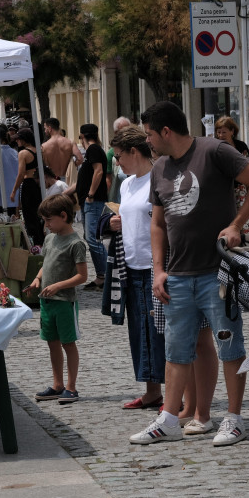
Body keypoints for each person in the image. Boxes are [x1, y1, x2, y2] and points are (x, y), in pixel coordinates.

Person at [129, 101, 249, 447]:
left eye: (149, 135)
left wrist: (236, 224)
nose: (148, 142)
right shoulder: (160, 167)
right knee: (176, 351)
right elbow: (158, 224)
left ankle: (234, 420)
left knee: (229, 346)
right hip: (178, 275)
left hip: (217, 273)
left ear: (166, 131)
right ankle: (167, 420)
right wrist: (159, 270)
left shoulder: (214, 150)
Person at [106, 126, 166, 410]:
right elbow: (119, 217)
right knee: (140, 331)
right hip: (130, 265)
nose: (116, 162)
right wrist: (110, 223)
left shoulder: (158, 177)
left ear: (134, 151)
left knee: (162, 331)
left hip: (155, 265)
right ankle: (152, 391)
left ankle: (179, 393)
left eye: (119, 156)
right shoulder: (127, 183)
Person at [26, 194, 87, 404]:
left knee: (68, 344)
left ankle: (71, 387)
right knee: (52, 343)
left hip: (64, 302)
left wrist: (58, 286)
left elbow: (83, 276)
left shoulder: (76, 243)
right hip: (47, 301)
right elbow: (47, 263)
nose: (46, 225)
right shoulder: (51, 238)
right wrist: (37, 279)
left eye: (49, 220)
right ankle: (57, 384)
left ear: (64, 215)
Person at [72, 123, 108, 291]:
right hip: (88, 201)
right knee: (91, 238)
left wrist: (91, 194)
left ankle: (107, 275)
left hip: (93, 202)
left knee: (94, 239)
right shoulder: (94, 151)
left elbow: (98, 171)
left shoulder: (93, 149)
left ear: (82, 136)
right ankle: (102, 276)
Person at [215, 116, 249, 235]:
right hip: (222, 189)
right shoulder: (215, 147)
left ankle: (246, 242)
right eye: (219, 132)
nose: (221, 135)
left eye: (224, 132)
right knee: (225, 218)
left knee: (242, 218)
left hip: (239, 188)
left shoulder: (240, 146)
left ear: (232, 131)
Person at [10, 128, 45, 246]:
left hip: (28, 184)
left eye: (18, 139)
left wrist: (14, 191)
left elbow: (20, 174)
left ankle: (35, 244)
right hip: (38, 185)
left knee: (29, 216)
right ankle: (40, 241)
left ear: (24, 140)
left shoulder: (23, 153)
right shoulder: (39, 151)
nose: (17, 141)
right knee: (38, 214)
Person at [106, 116, 133, 203]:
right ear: (116, 132)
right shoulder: (111, 153)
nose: (126, 133)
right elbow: (109, 179)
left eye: (128, 129)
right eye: (123, 130)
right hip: (119, 200)